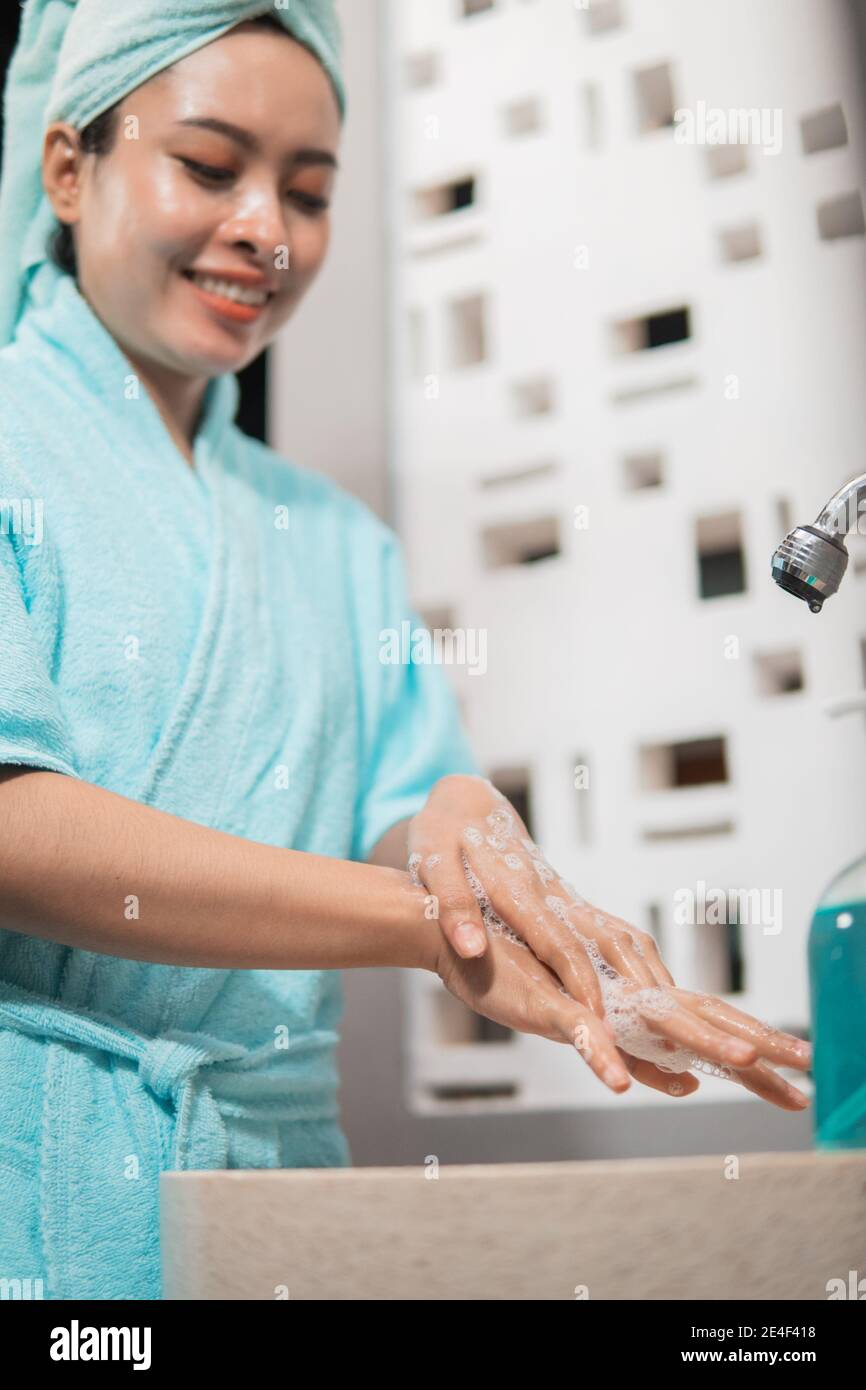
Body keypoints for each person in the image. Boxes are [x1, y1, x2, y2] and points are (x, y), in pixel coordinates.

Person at [0, 1, 810, 1301]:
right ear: (67, 167)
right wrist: (424, 919)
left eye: (308, 192)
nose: (265, 229)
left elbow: (403, 805)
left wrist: (478, 845)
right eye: (210, 167)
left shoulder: (339, 543)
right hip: (39, 1193)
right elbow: (12, 828)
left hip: (282, 1204)